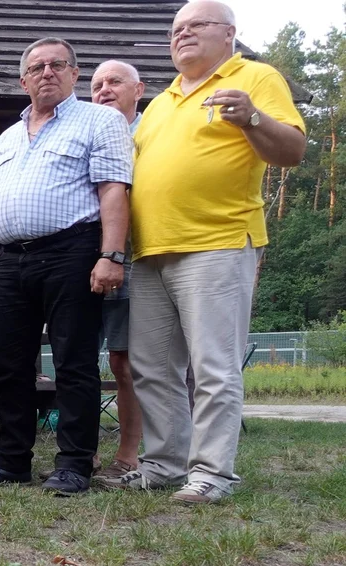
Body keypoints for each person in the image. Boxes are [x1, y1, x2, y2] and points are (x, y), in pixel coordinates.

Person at [111, 1, 306, 504]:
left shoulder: (256, 76)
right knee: (152, 368)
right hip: (150, 250)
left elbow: (291, 152)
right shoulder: (164, 100)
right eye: (176, 29)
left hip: (217, 241)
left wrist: (253, 117)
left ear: (229, 34)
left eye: (196, 25)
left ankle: (213, 473)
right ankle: (164, 465)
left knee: (214, 365)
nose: (183, 35)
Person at [0, 37, 132, 495]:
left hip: (73, 252)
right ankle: (11, 462)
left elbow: (114, 191)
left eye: (57, 64)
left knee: (73, 362)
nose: (47, 72)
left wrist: (111, 255)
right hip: (8, 259)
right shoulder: (6, 136)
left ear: (74, 73)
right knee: (9, 363)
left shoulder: (100, 120)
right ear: (23, 80)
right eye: (37, 67)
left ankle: (74, 465)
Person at [87, 59, 146, 481]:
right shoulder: (87, 131)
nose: (104, 90)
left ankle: (129, 454)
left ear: (138, 89)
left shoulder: (150, 134)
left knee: (126, 361)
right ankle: (81, 449)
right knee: (77, 360)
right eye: (96, 85)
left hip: (135, 260)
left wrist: (116, 254)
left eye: (114, 82)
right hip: (82, 262)